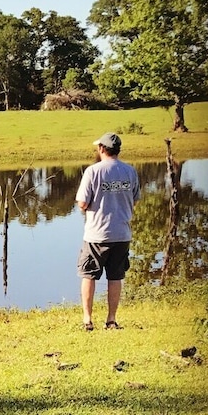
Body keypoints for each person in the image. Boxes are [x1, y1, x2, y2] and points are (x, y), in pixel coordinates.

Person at [75, 132, 140, 331]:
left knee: (88, 275)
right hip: (122, 233)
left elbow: (83, 203)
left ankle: (87, 319)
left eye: (98, 147)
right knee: (115, 276)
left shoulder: (93, 172)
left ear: (102, 149)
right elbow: (135, 199)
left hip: (97, 234)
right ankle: (111, 320)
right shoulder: (130, 171)